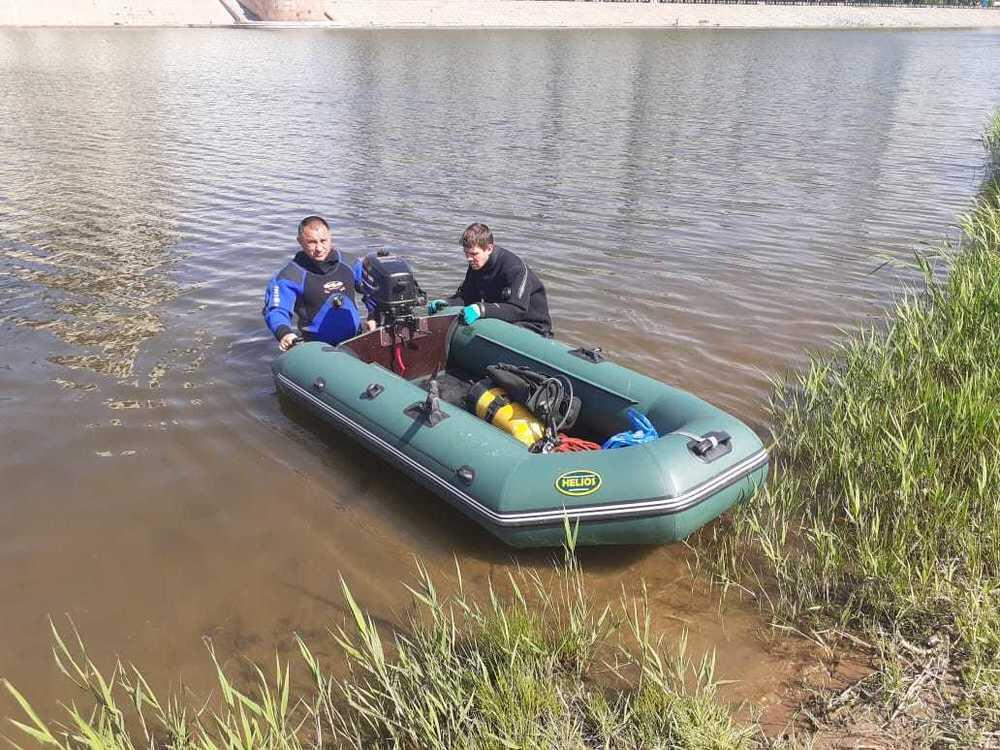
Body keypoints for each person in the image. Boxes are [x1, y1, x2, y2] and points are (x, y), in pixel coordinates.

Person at [262, 216, 375, 351]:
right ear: (300, 241)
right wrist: (284, 333)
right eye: (312, 242)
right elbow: (277, 310)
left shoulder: (350, 263)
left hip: (354, 340)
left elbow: (373, 292)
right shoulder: (289, 276)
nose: (319, 248)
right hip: (316, 349)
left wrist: (373, 316)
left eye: (323, 241)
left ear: (330, 237)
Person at [427, 223, 552, 337]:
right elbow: (467, 296)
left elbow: (518, 310)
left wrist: (481, 309)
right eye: (466, 254)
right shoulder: (476, 264)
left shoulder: (515, 268)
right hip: (503, 319)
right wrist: (448, 303)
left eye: (474, 254)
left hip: (532, 326)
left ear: (489, 249)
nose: (469, 259)